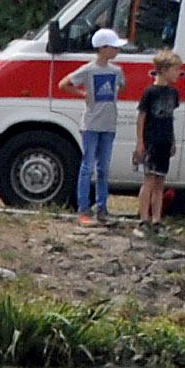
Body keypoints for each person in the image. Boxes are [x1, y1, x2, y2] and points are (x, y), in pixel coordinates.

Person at [61, 28, 126, 222]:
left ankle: (102, 206)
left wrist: (112, 95)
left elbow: (122, 85)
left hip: (109, 124)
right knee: (88, 166)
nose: (116, 51)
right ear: (103, 48)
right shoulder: (89, 69)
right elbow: (64, 83)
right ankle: (83, 207)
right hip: (91, 124)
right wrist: (83, 95)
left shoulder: (117, 71)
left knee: (104, 167)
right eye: (113, 47)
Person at [133, 51, 183, 234]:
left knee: (161, 181)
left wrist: (173, 140)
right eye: (176, 69)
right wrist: (140, 142)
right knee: (150, 180)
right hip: (151, 140)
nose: (178, 73)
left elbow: (170, 118)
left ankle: (157, 219)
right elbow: (142, 117)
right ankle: (143, 218)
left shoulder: (173, 93)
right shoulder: (150, 92)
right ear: (164, 70)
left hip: (165, 139)